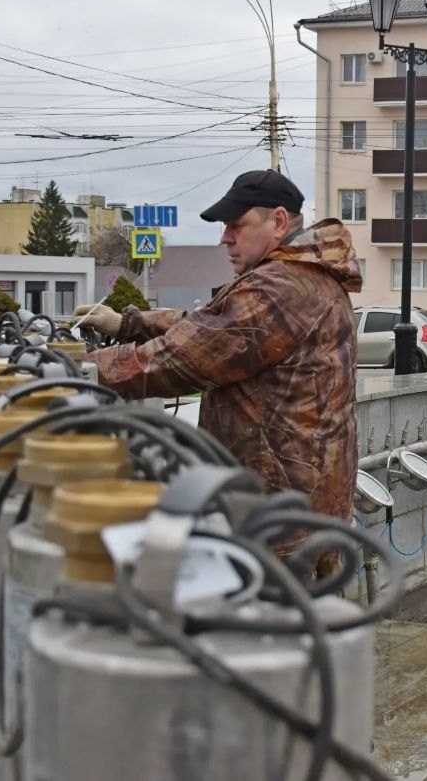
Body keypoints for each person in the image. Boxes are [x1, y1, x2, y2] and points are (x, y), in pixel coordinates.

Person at [72, 170, 362, 566]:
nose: (225, 238)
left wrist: (71, 369)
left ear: (278, 222)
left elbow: (182, 358)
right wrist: (129, 324)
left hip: (276, 520)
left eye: (236, 225)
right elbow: (215, 328)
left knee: (266, 607)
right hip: (307, 508)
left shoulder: (278, 287)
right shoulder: (305, 275)